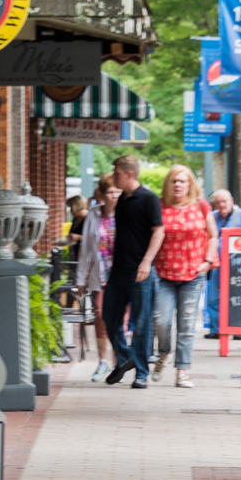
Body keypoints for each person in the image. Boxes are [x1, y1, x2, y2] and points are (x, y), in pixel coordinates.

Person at [152, 166, 218, 389]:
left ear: (190, 184)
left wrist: (207, 261)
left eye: (182, 181)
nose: (178, 185)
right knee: (160, 321)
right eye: (174, 181)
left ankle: (182, 371)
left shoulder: (201, 206)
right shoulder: (159, 207)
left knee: (186, 325)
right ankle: (163, 354)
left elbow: (213, 235)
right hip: (163, 274)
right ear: (168, 184)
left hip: (193, 274)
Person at [102, 154, 164, 389]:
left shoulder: (148, 199)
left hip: (141, 273)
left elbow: (159, 231)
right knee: (110, 317)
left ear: (129, 174)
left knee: (141, 323)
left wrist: (146, 262)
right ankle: (126, 356)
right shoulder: (123, 201)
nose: (113, 176)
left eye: (116, 173)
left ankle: (141, 373)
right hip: (118, 271)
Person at [77, 173, 121, 381]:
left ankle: (118, 363)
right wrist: (80, 279)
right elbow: (85, 248)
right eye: (110, 192)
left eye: (117, 191)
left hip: (122, 274)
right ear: (102, 195)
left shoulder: (127, 212)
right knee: (101, 315)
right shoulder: (94, 214)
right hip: (100, 274)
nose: (114, 196)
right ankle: (102, 361)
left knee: (120, 319)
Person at [205, 187, 241, 337]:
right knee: (213, 298)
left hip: (238, 265)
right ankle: (216, 330)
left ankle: (239, 329)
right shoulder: (213, 217)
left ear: (231, 201)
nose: (222, 205)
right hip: (218, 264)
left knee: (239, 297)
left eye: (224, 201)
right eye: (218, 202)